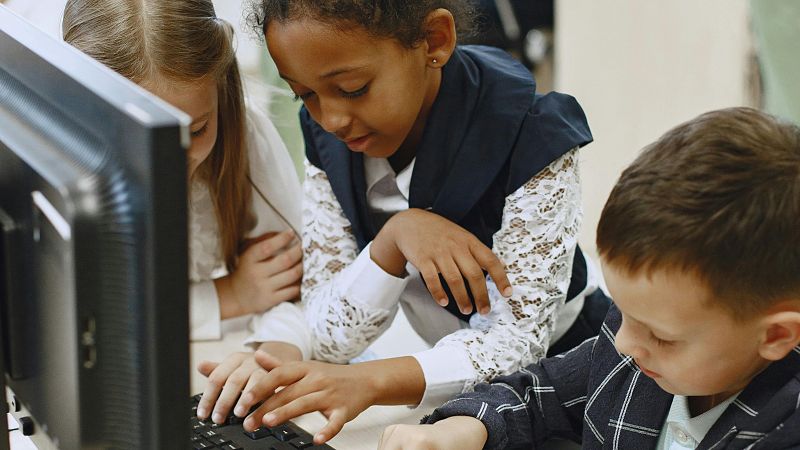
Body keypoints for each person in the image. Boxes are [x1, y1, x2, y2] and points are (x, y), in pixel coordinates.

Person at [199, 0, 612, 444]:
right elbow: (327, 325)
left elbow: (515, 343)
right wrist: (391, 242)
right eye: (305, 95)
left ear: (434, 40)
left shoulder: (532, 133)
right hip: (451, 399)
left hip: (571, 384)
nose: (331, 119)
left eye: (354, 88)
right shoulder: (329, 134)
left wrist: (371, 381)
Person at [378, 107, 800, 450]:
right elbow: (541, 392)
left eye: (661, 335)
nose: (623, 343)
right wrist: (461, 429)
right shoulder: (639, 350)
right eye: (623, 311)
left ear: (776, 336)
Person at [61, 0, 310, 370]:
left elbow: (293, 283)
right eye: (138, 138)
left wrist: (277, 348)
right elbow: (79, 313)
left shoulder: (243, 135)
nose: (173, 160)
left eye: (196, 130)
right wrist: (227, 296)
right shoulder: (58, 161)